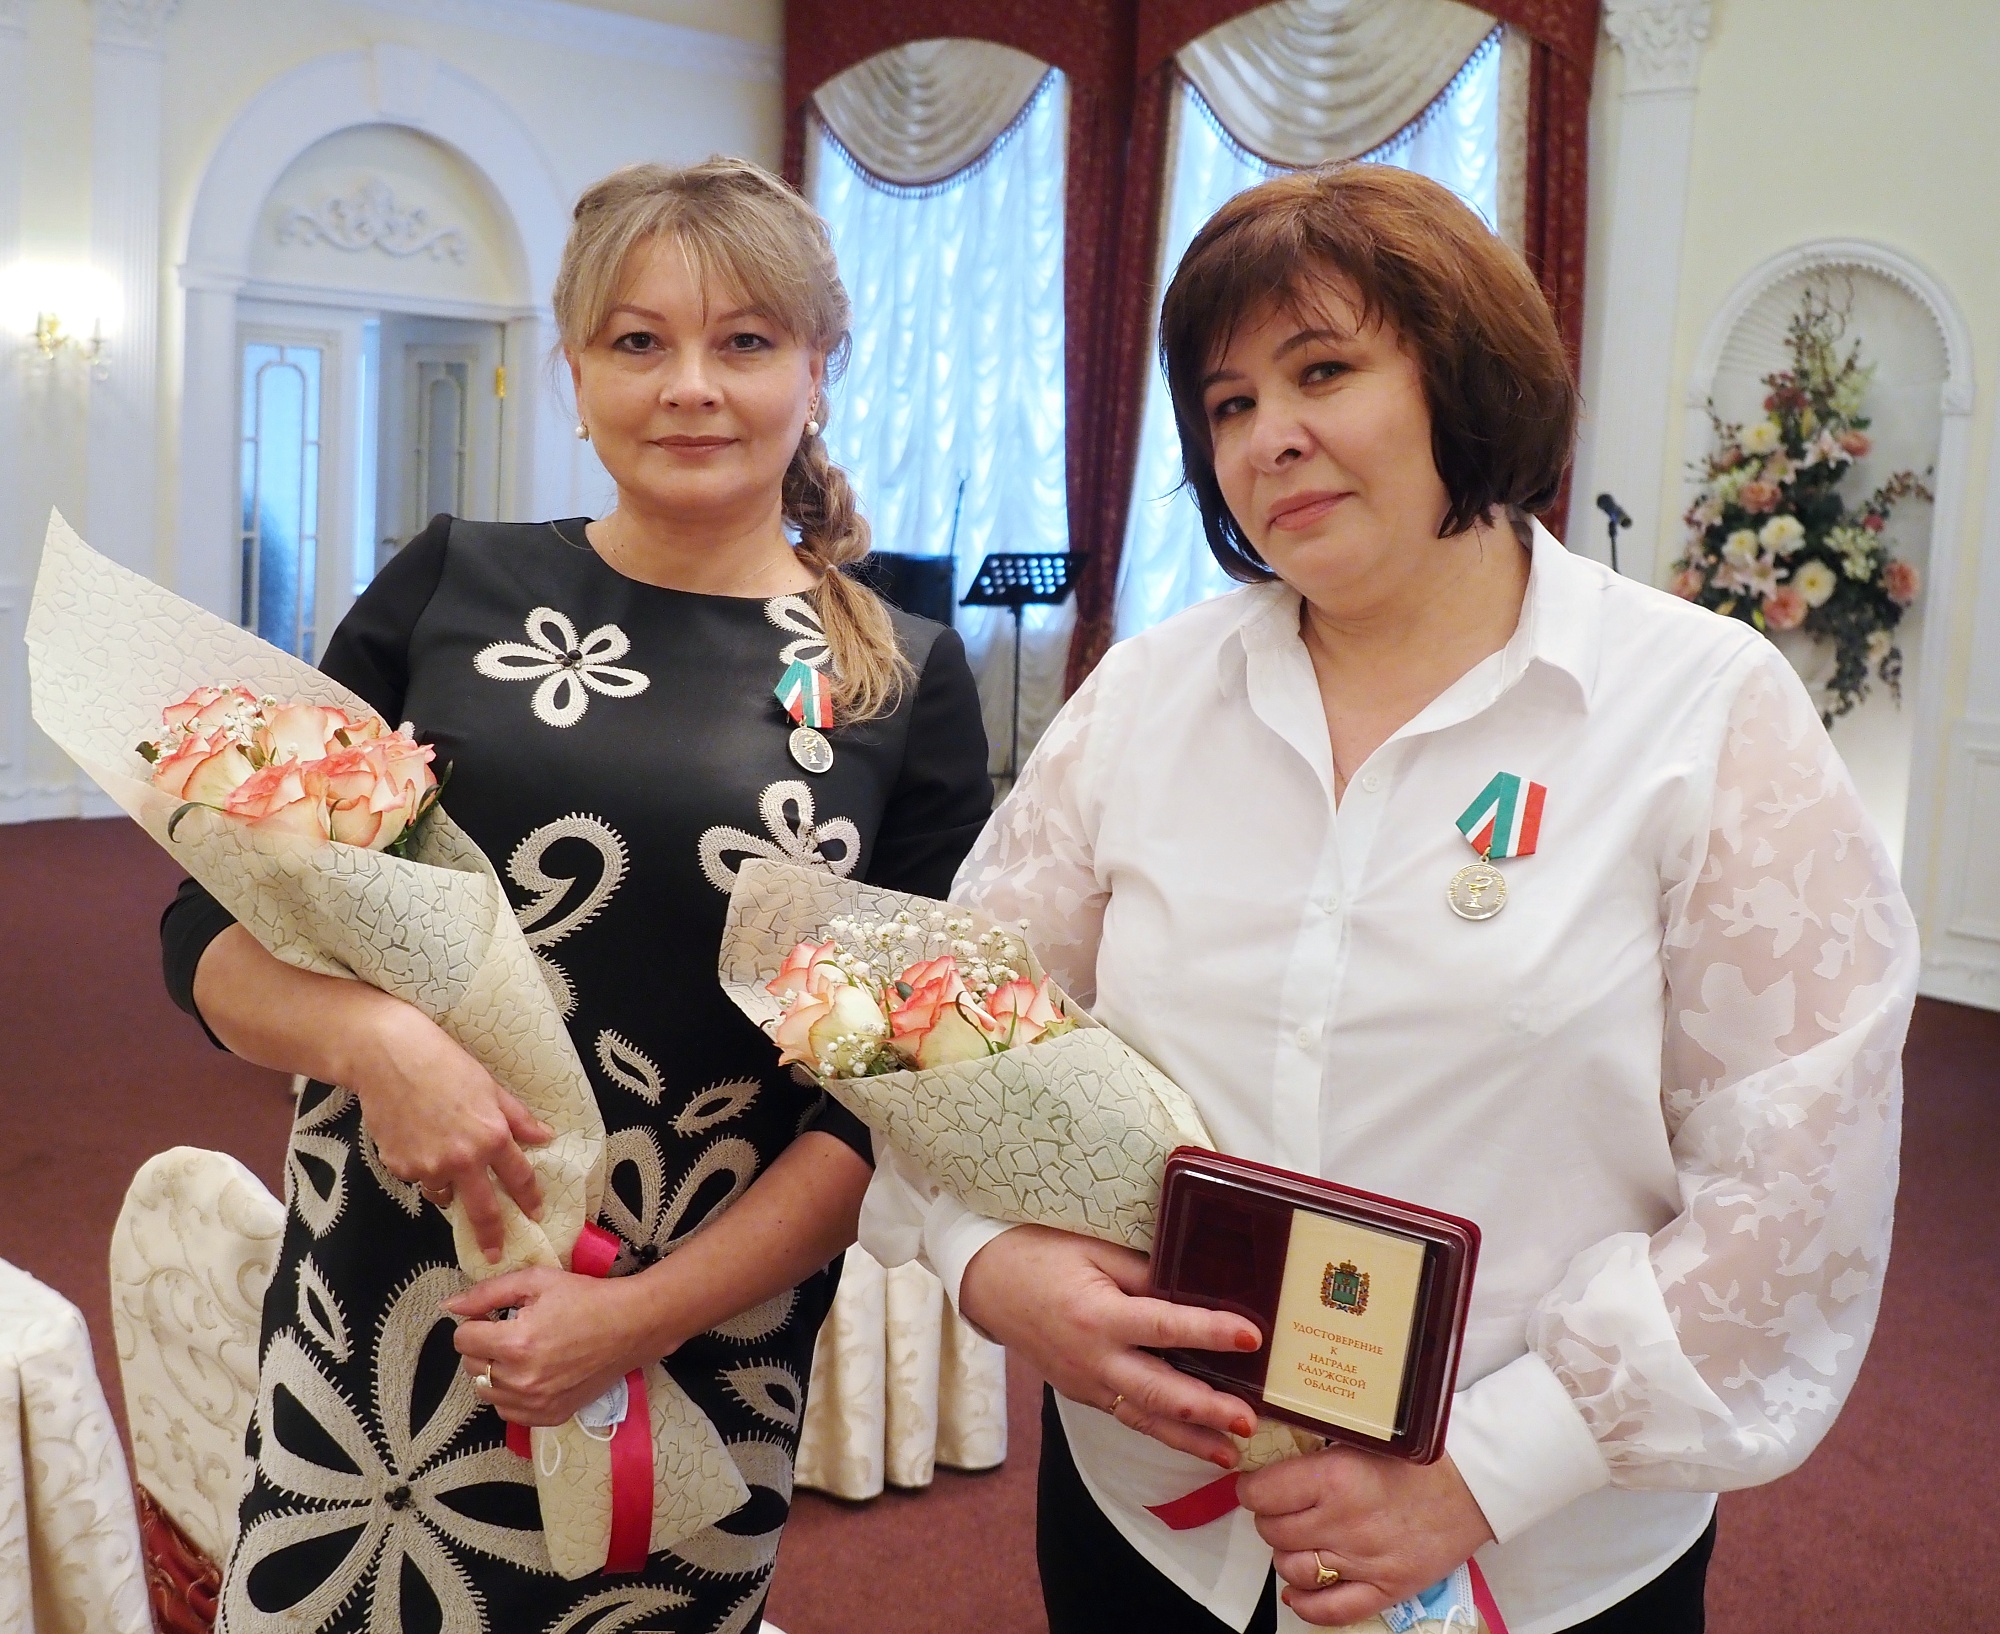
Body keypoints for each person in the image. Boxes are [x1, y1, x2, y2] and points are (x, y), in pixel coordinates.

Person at [860, 164, 1917, 1634]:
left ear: (1463, 378)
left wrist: (1485, 1468)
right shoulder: (1148, 696)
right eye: (1229, 403)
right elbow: (955, 1032)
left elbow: (1799, 1178)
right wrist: (989, 1264)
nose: (1270, 436)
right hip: (1155, 1517)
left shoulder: (1699, 710)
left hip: (1531, 1552)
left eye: (1323, 371)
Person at [160, 157, 991, 1632]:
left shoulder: (900, 679)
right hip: (392, 1302)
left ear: (818, 368)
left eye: (746, 341)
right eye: (637, 341)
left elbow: (892, 1102)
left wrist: (634, 1318)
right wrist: (377, 1042)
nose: (690, 386)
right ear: (574, 369)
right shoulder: (446, 588)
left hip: (692, 1342)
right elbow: (204, 928)